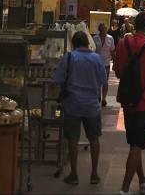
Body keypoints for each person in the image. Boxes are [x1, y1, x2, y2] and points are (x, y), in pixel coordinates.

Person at [115, 11, 145, 195]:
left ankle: (142, 181)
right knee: (137, 145)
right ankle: (125, 188)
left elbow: (118, 72)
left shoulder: (122, 43)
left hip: (127, 102)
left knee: (135, 143)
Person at [53, 31, 107, 186]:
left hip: (72, 105)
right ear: (87, 43)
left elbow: (58, 78)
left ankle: (74, 174)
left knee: (72, 139)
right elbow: (103, 80)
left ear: (74, 44)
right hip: (91, 105)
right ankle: (94, 174)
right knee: (94, 139)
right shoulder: (96, 58)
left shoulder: (69, 57)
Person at [93, 23, 115, 107]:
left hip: (106, 63)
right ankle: (98, 96)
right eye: (102, 29)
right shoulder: (95, 38)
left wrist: (114, 62)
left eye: (105, 29)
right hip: (96, 63)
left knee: (105, 82)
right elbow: (92, 50)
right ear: (99, 29)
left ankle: (104, 98)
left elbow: (112, 50)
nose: (103, 30)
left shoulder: (110, 38)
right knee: (97, 81)